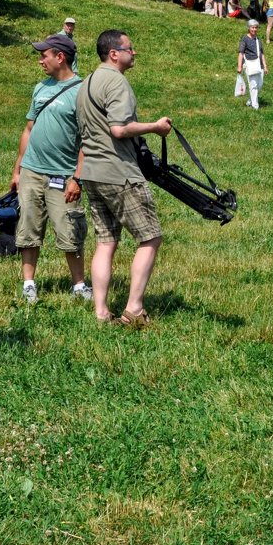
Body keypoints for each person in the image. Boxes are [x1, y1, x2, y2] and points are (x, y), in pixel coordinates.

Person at [75, 30, 172, 325]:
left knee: (106, 242)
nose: (135, 53)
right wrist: (155, 127)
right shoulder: (117, 81)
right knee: (150, 237)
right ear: (114, 53)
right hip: (118, 171)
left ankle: (101, 311)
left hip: (91, 172)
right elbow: (119, 128)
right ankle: (134, 308)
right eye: (130, 48)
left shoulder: (86, 83)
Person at [10, 34, 90, 305]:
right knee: (28, 228)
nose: (40, 59)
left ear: (61, 57)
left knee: (70, 230)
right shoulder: (40, 88)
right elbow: (28, 129)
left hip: (64, 175)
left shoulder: (82, 92)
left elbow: (88, 141)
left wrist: (77, 177)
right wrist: (17, 170)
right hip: (32, 171)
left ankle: (79, 285)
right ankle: (29, 284)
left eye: (45, 54)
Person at [237, 20, 268, 111]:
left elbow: (262, 54)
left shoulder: (258, 40)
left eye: (256, 27)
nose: (254, 29)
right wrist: (239, 66)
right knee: (253, 85)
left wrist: (265, 66)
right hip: (249, 65)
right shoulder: (245, 39)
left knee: (259, 85)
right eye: (252, 27)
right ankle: (255, 106)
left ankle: (250, 101)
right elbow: (241, 53)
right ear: (249, 28)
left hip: (260, 65)